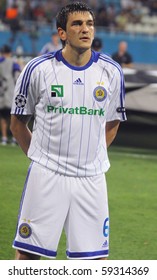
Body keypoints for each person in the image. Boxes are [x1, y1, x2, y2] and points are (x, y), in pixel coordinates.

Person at [10, 2, 126, 260]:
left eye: (90, 24)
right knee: (28, 256)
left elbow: (113, 123)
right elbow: (17, 124)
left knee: (94, 261)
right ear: (62, 33)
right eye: (77, 24)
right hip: (47, 176)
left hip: (91, 179)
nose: (85, 29)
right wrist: (41, 158)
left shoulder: (112, 72)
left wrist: (88, 156)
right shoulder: (37, 70)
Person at [0, 44, 21, 145]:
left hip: (1, 93)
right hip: (11, 92)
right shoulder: (13, 63)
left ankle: (4, 138)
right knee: (13, 116)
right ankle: (14, 138)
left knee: (3, 117)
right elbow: (18, 77)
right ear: (10, 53)